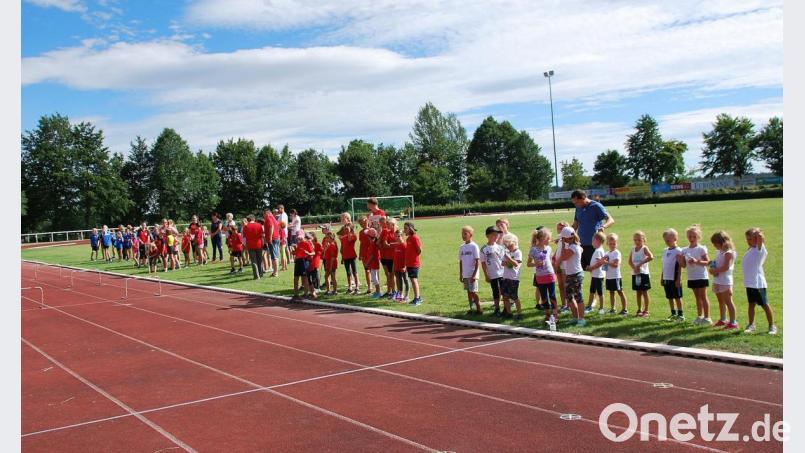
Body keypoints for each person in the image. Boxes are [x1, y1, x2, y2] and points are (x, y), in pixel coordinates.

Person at [742, 228, 776, 335]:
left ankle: (772, 326)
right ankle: (751, 324)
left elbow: (760, 238)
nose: (748, 241)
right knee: (751, 304)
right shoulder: (751, 249)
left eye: (751, 239)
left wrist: (758, 234)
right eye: (747, 239)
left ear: (757, 239)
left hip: (758, 284)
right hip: (750, 283)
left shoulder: (760, 250)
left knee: (764, 304)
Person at [571, 189, 615, 271]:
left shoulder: (596, 206)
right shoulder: (578, 208)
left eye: (576, 202)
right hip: (580, 244)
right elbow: (575, 224)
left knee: (596, 270)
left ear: (583, 198)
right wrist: (565, 234)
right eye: (574, 203)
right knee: (581, 269)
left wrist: (603, 226)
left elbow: (611, 220)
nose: (575, 205)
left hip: (594, 245)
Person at [681, 224, 712, 325]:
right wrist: (679, 259)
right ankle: (700, 316)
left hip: (701, 276)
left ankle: (707, 318)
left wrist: (696, 261)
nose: (691, 238)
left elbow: (708, 262)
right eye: (690, 236)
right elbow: (683, 265)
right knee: (697, 297)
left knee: (703, 296)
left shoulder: (701, 249)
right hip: (692, 277)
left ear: (698, 237)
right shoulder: (684, 250)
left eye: (694, 236)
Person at [528, 227, 558, 324]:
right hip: (540, 277)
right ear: (542, 239)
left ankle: (555, 315)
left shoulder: (549, 248)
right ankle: (547, 314)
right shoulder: (533, 250)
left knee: (552, 295)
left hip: (550, 275)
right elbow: (528, 264)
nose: (550, 240)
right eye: (548, 238)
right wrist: (536, 264)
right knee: (544, 297)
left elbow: (550, 260)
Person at [709, 231, 738, 329]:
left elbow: (726, 267)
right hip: (718, 280)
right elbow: (717, 263)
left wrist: (715, 270)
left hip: (725, 281)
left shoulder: (728, 253)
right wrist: (712, 267)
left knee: (728, 301)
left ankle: (733, 322)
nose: (714, 245)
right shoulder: (719, 252)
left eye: (715, 243)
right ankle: (723, 319)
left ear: (721, 242)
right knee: (720, 301)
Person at [558, 226, 585, 326]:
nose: (562, 240)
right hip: (570, 274)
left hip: (576, 274)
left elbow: (563, 257)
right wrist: (564, 244)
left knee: (578, 297)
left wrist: (562, 245)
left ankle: (581, 319)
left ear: (567, 238)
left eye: (563, 238)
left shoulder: (573, 247)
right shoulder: (572, 246)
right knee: (569, 296)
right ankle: (575, 317)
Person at [660, 229, 685, 322]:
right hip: (666, 278)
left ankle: (681, 314)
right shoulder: (665, 251)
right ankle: (673, 313)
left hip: (674, 278)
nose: (666, 242)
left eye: (668, 240)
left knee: (677, 297)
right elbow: (664, 265)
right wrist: (662, 277)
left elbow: (680, 267)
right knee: (669, 297)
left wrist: (679, 279)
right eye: (665, 240)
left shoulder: (679, 251)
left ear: (675, 238)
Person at [480, 226, 505, 317]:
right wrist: (486, 275)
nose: (496, 236)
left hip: (502, 273)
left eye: (497, 235)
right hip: (492, 274)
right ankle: (497, 308)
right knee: (495, 291)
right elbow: (483, 263)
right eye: (494, 235)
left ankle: (506, 308)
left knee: (503, 291)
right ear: (488, 236)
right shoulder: (484, 249)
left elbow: (503, 260)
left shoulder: (500, 247)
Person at [601, 232, 627, 314]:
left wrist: (605, 262)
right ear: (607, 243)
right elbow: (604, 263)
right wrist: (601, 262)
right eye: (610, 243)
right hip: (609, 277)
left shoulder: (617, 253)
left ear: (617, 243)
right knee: (611, 293)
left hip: (616, 276)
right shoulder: (607, 253)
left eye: (614, 243)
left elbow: (616, 265)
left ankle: (624, 309)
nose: (612, 245)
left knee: (620, 292)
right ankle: (613, 308)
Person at [629, 231, 653, 318]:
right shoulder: (633, 249)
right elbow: (629, 261)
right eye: (635, 240)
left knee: (644, 292)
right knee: (638, 293)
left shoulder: (644, 248)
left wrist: (640, 264)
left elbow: (651, 257)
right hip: (636, 274)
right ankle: (639, 309)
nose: (637, 242)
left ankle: (646, 310)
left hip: (643, 273)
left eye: (639, 240)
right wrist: (634, 268)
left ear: (643, 240)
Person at [459, 226, 482, 315]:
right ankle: (472, 308)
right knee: (468, 291)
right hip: (465, 274)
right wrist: (461, 274)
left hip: (472, 274)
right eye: (462, 234)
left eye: (465, 233)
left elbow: (477, 261)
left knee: (473, 292)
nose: (463, 235)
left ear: (470, 235)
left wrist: (474, 275)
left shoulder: (474, 246)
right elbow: (461, 261)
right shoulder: (461, 247)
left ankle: (479, 309)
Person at [501, 233, 523, 320]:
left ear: (515, 243)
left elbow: (516, 264)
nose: (508, 246)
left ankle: (519, 313)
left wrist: (509, 259)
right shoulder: (507, 252)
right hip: (506, 277)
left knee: (514, 297)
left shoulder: (518, 252)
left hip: (514, 278)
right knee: (505, 297)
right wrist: (509, 261)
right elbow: (502, 263)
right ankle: (509, 313)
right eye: (506, 245)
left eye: (510, 245)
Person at [586, 232, 607, 315]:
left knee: (600, 292)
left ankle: (602, 308)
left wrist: (591, 268)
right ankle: (589, 305)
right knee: (592, 291)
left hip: (598, 276)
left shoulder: (598, 251)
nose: (592, 243)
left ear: (597, 241)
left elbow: (599, 263)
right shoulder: (598, 250)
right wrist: (590, 268)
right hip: (595, 275)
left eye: (592, 241)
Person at [404, 222, 422, 306]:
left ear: (410, 229)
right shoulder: (408, 239)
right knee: (412, 279)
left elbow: (419, 250)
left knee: (414, 280)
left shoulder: (415, 238)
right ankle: (418, 297)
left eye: (406, 228)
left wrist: (413, 257)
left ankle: (417, 298)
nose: (404, 230)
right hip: (409, 263)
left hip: (414, 263)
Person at [552, 221, 569, 312]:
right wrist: (554, 257)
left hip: (564, 266)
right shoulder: (560, 238)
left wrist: (557, 263)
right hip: (558, 264)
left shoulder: (566, 240)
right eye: (558, 228)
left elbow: (564, 254)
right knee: (560, 285)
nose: (559, 230)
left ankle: (568, 305)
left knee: (566, 286)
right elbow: (558, 250)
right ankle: (563, 304)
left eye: (561, 228)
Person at [379, 217, 398, 298]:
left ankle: (394, 291)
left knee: (392, 275)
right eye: (386, 224)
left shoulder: (397, 233)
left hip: (393, 257)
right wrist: (393, 245)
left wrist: (390, 245)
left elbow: (400, 243)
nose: (387, 226)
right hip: (386, 256)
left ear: (393, 224)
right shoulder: (387, 232)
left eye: (388, 224)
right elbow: (384, 244)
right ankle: (390, 291)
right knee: (389, 275)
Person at [339, 222, 359, 294]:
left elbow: (350, 239)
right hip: (345, 257)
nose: (346, 230)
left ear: (350, 229)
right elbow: (342, 248)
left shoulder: (353, 235)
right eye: (345, 229)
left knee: (354, 271)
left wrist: (350, 232)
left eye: (347, 229)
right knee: (348, 272)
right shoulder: (343, 238)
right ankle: (350, 287)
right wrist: (342, 257)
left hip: (352, 256)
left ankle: (357, 287)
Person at [243, 215, 265, 279]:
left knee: (253, 260)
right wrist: (263, 244)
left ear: (248, 220)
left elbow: (244, 238)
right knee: (259, 260)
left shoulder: (246, 226)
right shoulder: (259, 225)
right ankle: (261, 273)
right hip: (259, 244)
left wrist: (245, 245)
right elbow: (262, 235)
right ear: (254, 219)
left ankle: (256, 275)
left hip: (250, 245)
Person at [392, 228, 408, 302]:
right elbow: (395, 257)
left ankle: (406, 296)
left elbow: (406, 257)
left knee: (406, 280)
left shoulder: (404, 245)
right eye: (396, 236)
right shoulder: (396, 245)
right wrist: (394, 266)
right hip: (396, 267)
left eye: (399, 236)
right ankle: (400, 295)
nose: (397, 238)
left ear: (402, 236)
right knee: (398, 281)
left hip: (403, 267)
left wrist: (404, 266)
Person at [365, 227, 382, 297]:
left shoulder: (373, 244)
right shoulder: (373, 243)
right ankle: (377, 291)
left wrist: (367, 263)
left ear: (369, 237)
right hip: (373, 262)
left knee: (374, 277)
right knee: (374, 277)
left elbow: (372, 256)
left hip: (373, 263)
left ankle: (378, 292)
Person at [264, 207, 281, 277]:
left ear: (266, 213)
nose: (263, 216)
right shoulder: (273, 217)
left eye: (264, 214)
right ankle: (275, 271)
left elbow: (271, 227)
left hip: (273, 239)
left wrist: (270, 237)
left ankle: (275, 272)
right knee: (275, 255)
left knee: (274, 256)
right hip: (276, 238)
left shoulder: (269, 217)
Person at [358, 216, 372, 295]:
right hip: (364, 253)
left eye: (364, 222)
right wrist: (360, 254)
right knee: (367, 270)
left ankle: (376, 287)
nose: (363, 224)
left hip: (371, 253)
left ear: (367, 221)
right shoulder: (360, 232)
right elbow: (361, 243)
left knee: (372, 270)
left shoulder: (371, 230)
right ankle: (369, 287)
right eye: (361, 224)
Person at [308, 232, 323, 297]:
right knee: (311, 273)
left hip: (316, 259)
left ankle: (317, 287)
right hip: (311, 260)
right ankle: (313, 286)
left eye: (310, 237)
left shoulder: (317, 244)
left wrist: (317, 255)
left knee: (315, 272)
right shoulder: (309, 244)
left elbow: (320, 251)